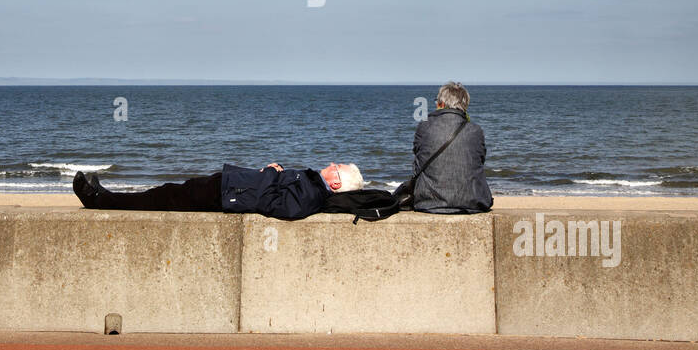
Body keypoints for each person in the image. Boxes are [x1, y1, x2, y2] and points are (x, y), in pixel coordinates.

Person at [72, 161, 365, 220]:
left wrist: (268, 175)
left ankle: (98, 199)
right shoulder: (313, 186)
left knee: (161, 197)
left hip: (228, 195)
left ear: (336, 183)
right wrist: (275, 173)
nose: (330, 163)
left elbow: (280, 206)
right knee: (165, 192)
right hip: (229, 187)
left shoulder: (313, 194)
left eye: (335, 166)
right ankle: (105, 196)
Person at [412, 82, 493, 213]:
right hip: (473, 202)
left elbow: (417, 165)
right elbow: (479, 162)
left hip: (428, 202)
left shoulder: (424, 127)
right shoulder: (475, 130)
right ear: (464, 106)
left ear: (441, 104)